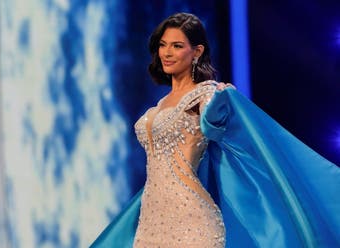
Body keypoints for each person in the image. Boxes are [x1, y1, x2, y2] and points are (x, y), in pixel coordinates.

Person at [91, 13, 340, 248]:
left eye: (177, 46)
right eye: (163, 45)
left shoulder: (206, 94)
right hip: (149, 221)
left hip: (191, 218)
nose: (166, 53)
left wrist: (225, 101)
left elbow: (223, 126)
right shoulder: (160, 104)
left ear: (197, 51)